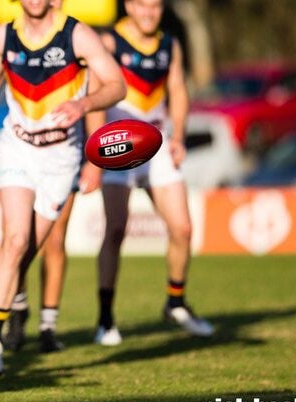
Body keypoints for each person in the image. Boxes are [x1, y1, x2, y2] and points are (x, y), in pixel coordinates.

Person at [0, 0, 125, 381]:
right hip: (18, 148)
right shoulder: (4, 35)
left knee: (24, 254)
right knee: (14, 241)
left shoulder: (77, 34)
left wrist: (84, 104)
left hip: (61, 158)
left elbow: (117, 86)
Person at [95, 0, 213, 345]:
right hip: (119, 147)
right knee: (115, 230)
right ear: (129, 6)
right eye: (143, 5)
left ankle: (175, 302)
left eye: (156, 7)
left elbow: (176, 89)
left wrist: (178, 135)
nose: (149, 12)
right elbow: (93, 88)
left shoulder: (169, 44)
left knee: (183, 227)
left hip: (158, 144)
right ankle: (105, 318)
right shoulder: (109, 43)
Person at [0, 80, 105, 354]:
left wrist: (94, 160)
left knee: (54, 241)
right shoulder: (12, 40)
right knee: (16, 240)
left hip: (65, 156)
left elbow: (97, 92)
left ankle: (47, 325)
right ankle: (16, 310)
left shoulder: (76, 41)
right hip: (22, 154)